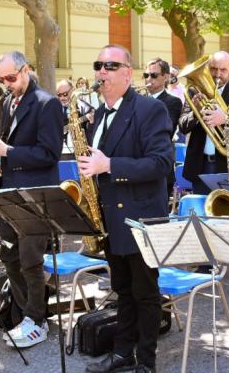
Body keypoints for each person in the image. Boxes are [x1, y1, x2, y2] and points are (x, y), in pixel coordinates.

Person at [81, 44, 173, 373]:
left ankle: (146, 363)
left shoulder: (149, 109)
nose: (101, 72)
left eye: (110, 65)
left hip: (140, 216)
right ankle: (123, 354)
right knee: (121, 290)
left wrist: (109, 165)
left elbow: (161, 163)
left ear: (127, 73)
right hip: (109, 216)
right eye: (98, 65)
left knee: (145, 294)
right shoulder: (100, 114)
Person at [0, 51, 63, 348]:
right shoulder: (7, 101)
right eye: (2, 79)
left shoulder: (47, 103)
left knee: (30, 260)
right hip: (9, 192)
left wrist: (8, 153)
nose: (6, 84)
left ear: (26, 70)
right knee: (9, 255)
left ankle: (37, 319)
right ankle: (25, 311)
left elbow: (49, 153)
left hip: (35, 194)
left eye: (11, 78)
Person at [178, 51, 229, 194]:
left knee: (225, 214)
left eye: (223, 70)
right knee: (201, 212)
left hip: (226, 166)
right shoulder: (194, 91)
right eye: (213, 68)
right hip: (200, 165)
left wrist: (226, 119)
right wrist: (196, 112)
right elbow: (182, 127)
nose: (218, 74)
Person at [144, 57, 182, 196]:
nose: (149, 79)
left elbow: (167, 131)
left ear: (165, 77)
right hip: (139, 167)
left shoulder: (173, 102)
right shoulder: (138, 100)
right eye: (146, 75)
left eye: (153, 75)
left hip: (160, 166)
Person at [57, 79, 76, 157]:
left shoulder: (81, 107)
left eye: (65, 94)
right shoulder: (53, 108)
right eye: (59, 95)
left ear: (72, 91)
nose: (62, 98)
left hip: (76, 153)